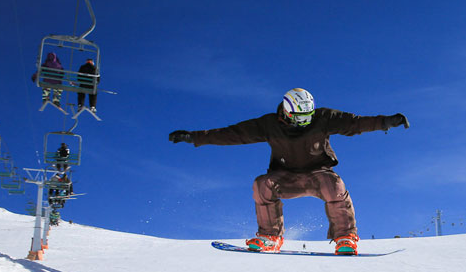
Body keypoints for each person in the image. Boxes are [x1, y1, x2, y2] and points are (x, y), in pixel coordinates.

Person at [169, 88, 410, 255]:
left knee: (333, 185)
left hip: (318, 175)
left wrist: (386, 122)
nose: (305, 122)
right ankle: (270, 237)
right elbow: (233, 133)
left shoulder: (323, 117)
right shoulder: (269, 124)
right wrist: (194, 137)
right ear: (286, 111)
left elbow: (355, 123)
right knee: (262, 184)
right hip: (286, 177)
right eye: (299, 117)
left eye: (308, 117)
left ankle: (345, 237)